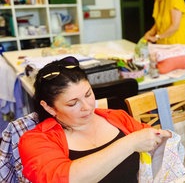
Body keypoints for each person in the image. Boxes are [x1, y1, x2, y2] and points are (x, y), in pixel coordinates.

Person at [18, 56, 171, 182]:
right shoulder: (35, 141)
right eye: (73, 103)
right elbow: (63, 178)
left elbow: (150, 139)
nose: (87, 106)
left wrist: (162, 138)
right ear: (49, 107)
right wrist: (131, 144)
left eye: (88, 94)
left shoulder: (117, 117)